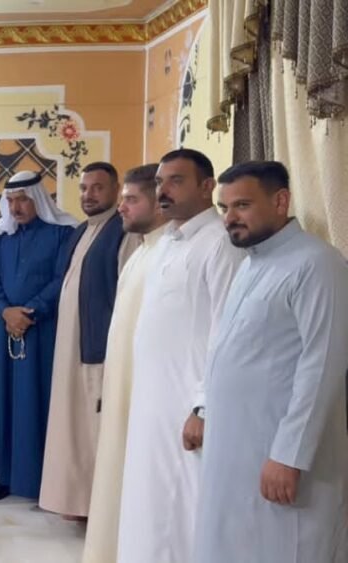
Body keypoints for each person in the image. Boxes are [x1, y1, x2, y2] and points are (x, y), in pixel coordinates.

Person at [195, 161, 348, 563]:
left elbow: (323, 366)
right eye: (225, 207)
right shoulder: (250, 264)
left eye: (242, 205)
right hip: (235, 449)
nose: (230, 218)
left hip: (281, 455)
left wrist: (289, 455)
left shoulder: (317, 264)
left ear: (280, 201)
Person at [117, 149, 245, 563]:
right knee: (151, 504)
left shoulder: (220, 244)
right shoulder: (169, 242)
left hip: (187, 408)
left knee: (183, 506)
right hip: (153, 405)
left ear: (207, 186)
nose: (163, 190)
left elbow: (227, 332)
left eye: (176, 181)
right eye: (159, 182)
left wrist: (203, 406)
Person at [39, 161, 141, 519]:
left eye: (98, 187)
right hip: (69, 347)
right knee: (73, 428)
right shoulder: (81, 231)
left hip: (97, 348)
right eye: (84, 188)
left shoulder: (124, 232)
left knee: (94, 429)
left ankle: (99, 510)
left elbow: (128, 294)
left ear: (115, 190)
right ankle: (75, 502)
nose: (88, 195)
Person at [82, 164, 167, 563]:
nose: (121, 208)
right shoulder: (146, 249)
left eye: (130, 199)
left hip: (154, 395)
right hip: (125, 387)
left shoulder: (172, 252)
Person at [0, 171, 77, 502]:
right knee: (3, 401)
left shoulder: (63, 233)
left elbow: (62, 278)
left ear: (38, 198)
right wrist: (6, 311)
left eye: (22, 199)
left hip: (42, 332)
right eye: (10, 201)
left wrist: (29, 312)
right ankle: (4, 477)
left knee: (37, 400)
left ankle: (40, 480)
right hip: (3, 330)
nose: (16, 207)